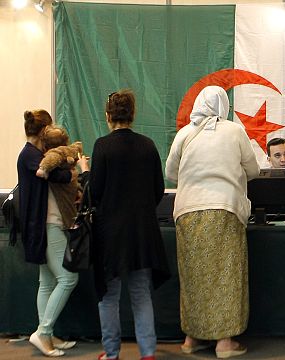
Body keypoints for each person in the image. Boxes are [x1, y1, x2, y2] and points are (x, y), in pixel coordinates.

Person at [165, 86, 259, 359]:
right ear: (223, 106)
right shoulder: (234, 131)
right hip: (224, 209)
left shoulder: (184, 133)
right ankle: (224, 342)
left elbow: (171, 172)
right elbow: (252, 170)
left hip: (188, 211)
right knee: (226, 274)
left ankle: (191, 338)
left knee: (193, 274)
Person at [90, 89, 170, 360]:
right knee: (141, 295)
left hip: (110, 233)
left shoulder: (102, 146)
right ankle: (147, 353)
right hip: (142, 232)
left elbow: (95, 191)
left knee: (109, 296)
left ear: (108, 116)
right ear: (133, 114)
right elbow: (158, 189)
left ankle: (111, 354)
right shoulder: (148, 145)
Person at [17, 111, 87, 357]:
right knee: (68, 279)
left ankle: (47, 332)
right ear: (44, 130)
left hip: (47, 224)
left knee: (46, 282)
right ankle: (43, 333)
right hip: (47, 225)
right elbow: (59, 175)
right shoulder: (31, 155)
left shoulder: (36, 154)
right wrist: (73, 167)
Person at [36, 126, 84, 230]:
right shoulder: (67, 160)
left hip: (54, 218)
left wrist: (43, 170)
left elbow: (51, 160)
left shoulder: (54, 156)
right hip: (68, 215)